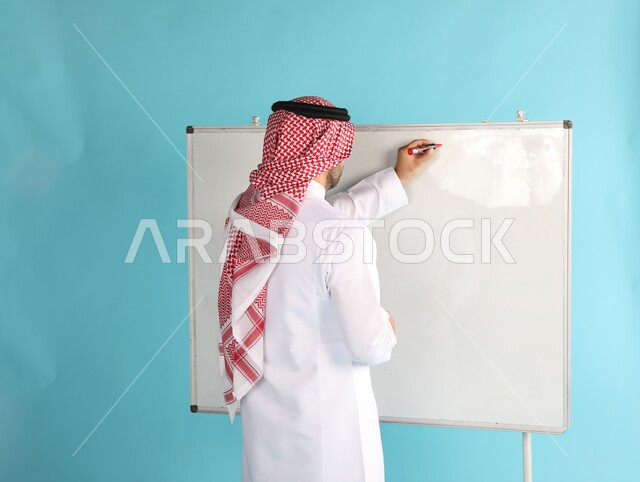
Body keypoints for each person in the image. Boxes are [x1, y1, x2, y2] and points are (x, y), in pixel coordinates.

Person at [216, 95, 436, 481]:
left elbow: (312, 221)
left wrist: (395, 180)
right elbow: (368, 345)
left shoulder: (246, 213)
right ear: (330, 154)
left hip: (265, 435)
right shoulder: (335, 233)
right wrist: (385, 325)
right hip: (330, 442)